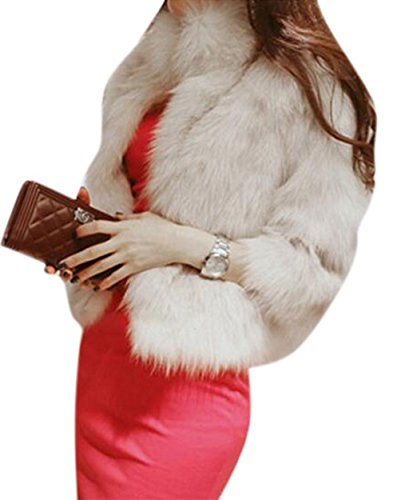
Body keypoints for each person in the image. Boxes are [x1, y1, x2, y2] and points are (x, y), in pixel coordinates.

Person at [45, 0, 376, 498]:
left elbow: (311, 267)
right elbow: (130, 200)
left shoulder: (308, 84)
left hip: (189, 386)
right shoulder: (153, 56)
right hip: (105, 364)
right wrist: (94, 243)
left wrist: (179, 245)